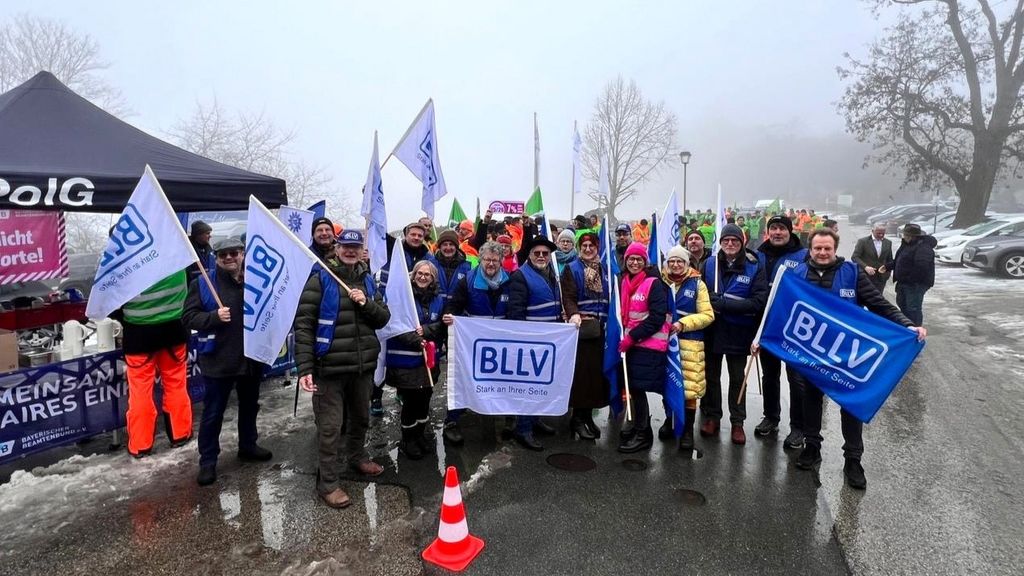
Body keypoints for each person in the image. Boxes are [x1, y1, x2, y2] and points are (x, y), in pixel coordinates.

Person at [766, 229, 925, 489]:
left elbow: (877, 303)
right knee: (811, 399)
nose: (822, 253)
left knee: (850, 405)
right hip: (811, 352)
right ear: (810, 249)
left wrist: (906, 324)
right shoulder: (797, 275)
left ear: (835, 248)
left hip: (845, 352)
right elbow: (781, 308)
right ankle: (812, 446)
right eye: (817, 248)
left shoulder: (851, 272)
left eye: (827, 248)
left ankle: (853, 459)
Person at [294, 230, 391, 508]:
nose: (351, 251)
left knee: (361, 418)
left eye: (355, 247)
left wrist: (367, 303)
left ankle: (358, 457)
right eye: (345, 246)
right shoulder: (320, 278)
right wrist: (305, 368)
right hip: (329, 369)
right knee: (330, 428)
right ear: (336, 249)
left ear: (362, 250)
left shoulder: (368, 280)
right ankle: (328, 484)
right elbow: (304, 325)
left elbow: (383, 318)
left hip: (361, 367)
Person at [183, 237, 272, 486]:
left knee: (249, 405)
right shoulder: (203, 283)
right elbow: (188, 317)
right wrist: (212, 317)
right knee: (213, 413)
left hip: (249, 359)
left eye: (234, 253)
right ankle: (208, 461)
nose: (229, 258)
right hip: (218, 361)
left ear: (242, 254)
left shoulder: (254, 281)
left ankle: (248, 445)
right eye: (223, 255)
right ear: (216, 257)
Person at [700, 223, 768, 445]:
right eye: (726, 240)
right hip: (712, 330)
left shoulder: (754, 266)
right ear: (720, 242)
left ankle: (737, 422)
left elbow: (758, 301)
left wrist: (726, 304)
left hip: (739, 331)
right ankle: (712, 416)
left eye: (735, 241)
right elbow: (700, 295)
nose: (730, 244)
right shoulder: (709, 264)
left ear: (742, 243)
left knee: (738, 379)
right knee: (712, 377)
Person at [115, 267, 191, 459]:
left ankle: (141, 446)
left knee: (140, 391)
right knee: (176, 385)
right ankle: (180, 434)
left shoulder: (122, 264)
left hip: (138, 335)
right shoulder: (175, 255)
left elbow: (111, 301)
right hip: (174, 331)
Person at [441, 241, 511, 445]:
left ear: (501, 262)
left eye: (495, 260)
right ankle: (452, 421)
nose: (491, 263)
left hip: (502, 343)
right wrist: (448, 315)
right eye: (487, 259)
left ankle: (508, 417)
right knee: (463, 379)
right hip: (473, 343)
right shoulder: (468, 281)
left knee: (505, 380)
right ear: (480, 259)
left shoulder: (510, 281)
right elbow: (453, 304)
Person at [754, 215, 810, 448]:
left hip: (794, 328)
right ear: (768, 232)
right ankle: (771, 416)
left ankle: (798, 427)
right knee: (770, 375)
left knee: (796, 379)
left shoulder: (803, 255)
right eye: (773, 228)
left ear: (790, 231)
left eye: (782, 229)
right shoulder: (758, 254)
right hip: (767, 325)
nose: (777, 232)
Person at [375, 222, 439, 415]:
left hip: (419, 309)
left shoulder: (428, 257)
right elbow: (378, 233)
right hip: (394, 302)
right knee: (381, 355)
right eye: (413, 234)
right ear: (406, 234)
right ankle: (376, 396)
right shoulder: (395, 252)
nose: (417, 237)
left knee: (416, 371)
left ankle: (405, 394)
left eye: (420, 235)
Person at [506, 235, 562, 450]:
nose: (541, 256)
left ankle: (535, 419)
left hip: (549, 342)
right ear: (529, 255)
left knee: (541, 384)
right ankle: (523, 429)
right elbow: (516, 311)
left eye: (545, 253)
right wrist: (522, 340)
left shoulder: (552, 273)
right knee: (528, 387)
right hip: (530, 342)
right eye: (537, 253)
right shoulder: (520, 276)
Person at [386, 260, 445, 460]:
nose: (422, 277)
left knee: (425, 398)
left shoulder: (438, 299)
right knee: (411, 402)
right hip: (407, 361)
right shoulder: (403, 297)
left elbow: (441, 324)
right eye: (419, 273)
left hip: (428, 361)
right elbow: (394, 326)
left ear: (433, 279)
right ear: (413, 275)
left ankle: (420, 434)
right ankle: (408, 439)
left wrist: (428, 331)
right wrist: (416, 340)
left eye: (427, 274)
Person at [616, 242, 672, 453]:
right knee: (632, 388)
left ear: (645, 262)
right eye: (631, 258)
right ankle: (639, 427)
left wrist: (633, 338)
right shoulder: (624, 281)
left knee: (637, 389)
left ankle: (643, 434)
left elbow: (657, 317)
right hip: (631, 345)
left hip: (647, 345)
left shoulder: (653, 283)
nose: (634, 262)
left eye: (639, 259)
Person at [660, 246, 714, 450]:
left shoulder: (698, 284)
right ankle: (670, 421)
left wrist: (683, 324)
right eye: (671, 261)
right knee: (667, 385)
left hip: (690, 343)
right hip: (664, 342)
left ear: (687, 263)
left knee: (689, 390)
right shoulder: (661, 282)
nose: (675, 264)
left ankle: (687, 430)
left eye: (680, 261)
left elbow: (708, 315)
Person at [560, 232, 609, 441]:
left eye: (591, 245)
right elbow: (568, 296)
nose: (588, 249)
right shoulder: (572, 269)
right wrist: (574, 315)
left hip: (602, 329)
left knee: (595, 377)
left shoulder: (605, 270)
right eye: (584, 245)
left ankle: (588, 417)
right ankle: (577, 419)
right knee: (581, 376)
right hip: (583, 329)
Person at [892, 223, 936, 327]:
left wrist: (909, 279)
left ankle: (916, 329)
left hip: (915, 284)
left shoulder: (923, 247)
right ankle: (907, 326)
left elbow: (921, 267)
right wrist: (889, 266)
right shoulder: (907, 245)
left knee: (913, 308)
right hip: (904, 282)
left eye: (906, 235)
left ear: (912, 236)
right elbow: (901, 260)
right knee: (902, 304)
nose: (904, 237)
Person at [851, 222, 894, 296]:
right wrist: (865, 267)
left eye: (883, 233)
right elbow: (855, 257)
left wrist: (887, 273)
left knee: (878, 299)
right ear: (872, 231)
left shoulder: (888, 242)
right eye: (878, 233)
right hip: (866, 276)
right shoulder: (863, 242)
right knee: (865, 298)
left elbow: (889, 259)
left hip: (881, 278)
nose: (881, 235)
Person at [434, 230, 472, 303]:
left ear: (456, 246)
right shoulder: (431, 264)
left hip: (457, 311)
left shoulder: (467, 266)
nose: (448, 248)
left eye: (451, 244)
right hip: (436, 311)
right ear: (440, 247)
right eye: (445, 244)